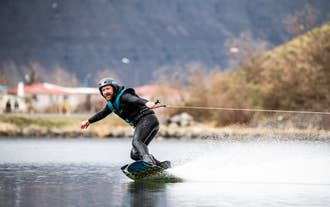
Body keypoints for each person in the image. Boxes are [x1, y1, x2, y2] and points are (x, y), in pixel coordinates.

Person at [80, 77, 170, 168]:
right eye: (103, 90)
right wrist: (89, 121)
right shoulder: (111, 105)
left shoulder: (124, 96)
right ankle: (162, 166)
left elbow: (135, 100)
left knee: (137, 142)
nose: (106, 92)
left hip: (147, 120)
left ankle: (149, 162)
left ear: (114, 88)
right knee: (134, 154)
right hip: (147, 123)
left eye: (108, 89)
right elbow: (102, 114)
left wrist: (146, 103)